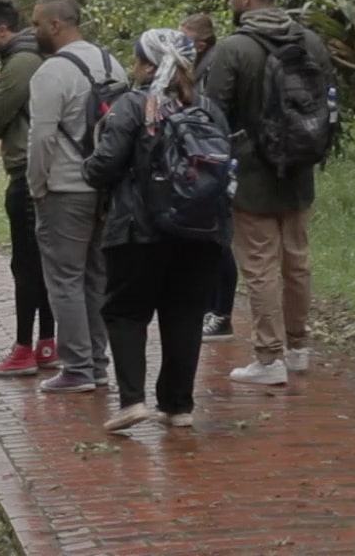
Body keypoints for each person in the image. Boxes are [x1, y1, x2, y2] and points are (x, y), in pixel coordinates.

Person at [83, 29, 228, 431]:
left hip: (139, 228)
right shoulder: (208, 107)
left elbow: (106, 164)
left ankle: (132, 401)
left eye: (137, 59)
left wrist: (88, 167)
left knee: (125, 311)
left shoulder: (133, 104)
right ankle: (178, 405)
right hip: (201, 231)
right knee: (183, 312)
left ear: (148, 64)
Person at [202, 0, 335, 386]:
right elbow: (328, 100)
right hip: (299, 168)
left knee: (259, 265)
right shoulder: (310, 40)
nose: (229, 2)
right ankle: (298, 349)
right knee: (297, 261)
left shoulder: (234, 48)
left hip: (253, 173)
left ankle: (268, 356)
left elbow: (212, 113)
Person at [25, 0, 116, 393]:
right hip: (107, 187)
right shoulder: (113, 64)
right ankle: (97, 362)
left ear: (55, 25)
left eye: (37, 23)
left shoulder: (51, 73)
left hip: (65, 189)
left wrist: (37, 185)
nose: (34, 31)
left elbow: (41, 137)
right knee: (96, 277)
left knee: (64, 279)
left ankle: (76, 367)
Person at [0, 0, 58, 377]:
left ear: (3, 30)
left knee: (26, 264)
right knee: (41, 263)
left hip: (27, 172)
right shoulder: (30, 57)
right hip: (39, 170)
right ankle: (46, 343)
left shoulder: (21, 63)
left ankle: (26, 347)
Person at [181, 12, 237, 343]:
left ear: (201, 43)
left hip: (217, 160)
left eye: (186, 38)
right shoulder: (196, 67)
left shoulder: (214, 66)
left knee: (219, 239)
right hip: (204, 160)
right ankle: (208, 308)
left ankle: (221, 312)